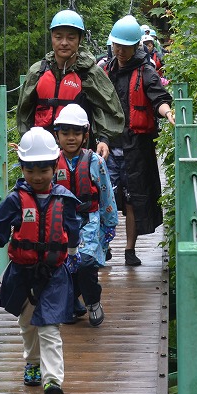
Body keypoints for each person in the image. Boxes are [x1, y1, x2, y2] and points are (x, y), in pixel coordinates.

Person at [0, 127, 82, 394]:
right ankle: (32, 362)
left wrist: (72, 253)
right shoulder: (15, 201)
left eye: (43, 170)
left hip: (55, 274)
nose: (37, 176)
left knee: (49, 327)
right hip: (23, 273)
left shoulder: (64, 199)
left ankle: (53, 381)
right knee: (27, 324)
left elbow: (71, 227)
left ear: (54, 166)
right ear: (22, 168)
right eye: (30, 170)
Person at [103, 15, 175, 266]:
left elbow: (158, 97)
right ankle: (104, 246)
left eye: (124, 46)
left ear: (136, 46)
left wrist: (167, 112)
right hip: (109, 147)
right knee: (104, 198)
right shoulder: (107, 70)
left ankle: (130, 250)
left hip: (135, 148)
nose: (119, 51)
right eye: (116, 45)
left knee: (133, 200)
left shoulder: (145, 71)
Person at [17, 9, 124, 159]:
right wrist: (26, 141)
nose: (64, 43)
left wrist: (104, 140)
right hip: (42, 152)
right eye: (58, 37)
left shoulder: (90, 73)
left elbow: (110, 109)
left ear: (80, 40)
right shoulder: (37, 72)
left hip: (80, 152)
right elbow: (24, 112)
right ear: (52, 38)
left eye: (71, 38)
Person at [52, 104, 118, 326]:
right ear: (57, 135)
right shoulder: (50, 163)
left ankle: (92, 301)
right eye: (65, 133)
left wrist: (110, 225)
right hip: (60, 223)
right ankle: (71, 303)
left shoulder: (94, 161)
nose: (71, 138)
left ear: (85, 135)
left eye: (76, 133)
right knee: (63, 264)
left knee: (86, 262)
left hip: (88, 221)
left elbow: (106, 193)